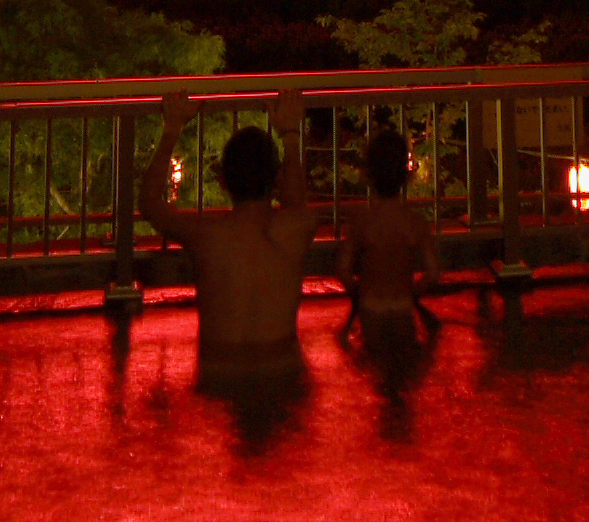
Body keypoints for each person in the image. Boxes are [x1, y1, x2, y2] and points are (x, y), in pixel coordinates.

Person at [142, 89, 317, 361]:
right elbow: (296, 204)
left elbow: (151, 205)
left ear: (222, 181)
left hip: (220, 370)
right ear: (278, 179)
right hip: (280, 369)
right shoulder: (296, 229)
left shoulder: (206, 236)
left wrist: (172, 128)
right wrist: (291, 135)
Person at [335, 123, 445, 341]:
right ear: (406, 175)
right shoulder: (415, 222)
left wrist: (359, 294)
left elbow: (343, 271)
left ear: (368, 174)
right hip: (403, 307)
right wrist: (413, 295)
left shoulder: (361, 222)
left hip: (371, 307)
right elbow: (433, 273)